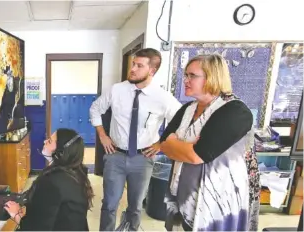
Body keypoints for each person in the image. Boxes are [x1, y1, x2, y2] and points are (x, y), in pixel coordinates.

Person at [159, 54, 260, 231]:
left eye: (192, 76)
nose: (186, 80)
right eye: (186, 75)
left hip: (218, 199)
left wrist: (175, 143)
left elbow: (197, 155)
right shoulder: (187, 109)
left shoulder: (235, 111)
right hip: (183, 192)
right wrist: (182, 146)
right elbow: (163, 144)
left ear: (212, 77)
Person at [90, 48, 182, 231]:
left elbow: (180, 122)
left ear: (152, 71)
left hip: (143, 158)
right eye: (133, 64)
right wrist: (102, 135)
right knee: (109, 204)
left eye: (139, 66)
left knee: (135, 206)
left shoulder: (162, 97)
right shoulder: (117, 90)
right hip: (115, 155)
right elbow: (95, 109)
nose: (132, 69)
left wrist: (161, 144)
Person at [4, 128, 93, 231]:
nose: (45, 141)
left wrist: (16, 214)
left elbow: (36, 229)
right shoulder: (77, 174)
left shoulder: (51, 181)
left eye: (49, 141)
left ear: (60, 152)